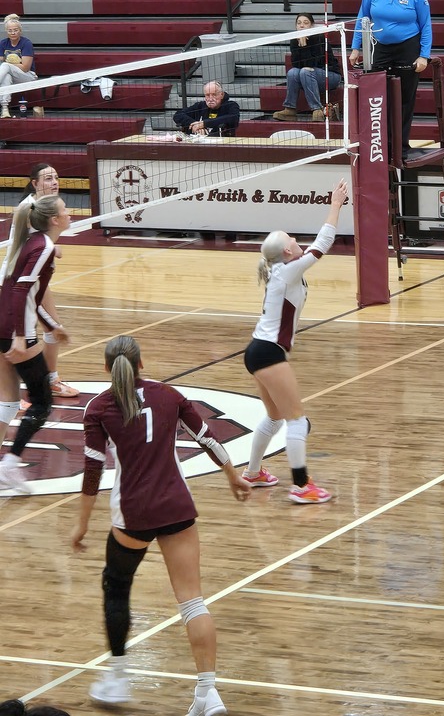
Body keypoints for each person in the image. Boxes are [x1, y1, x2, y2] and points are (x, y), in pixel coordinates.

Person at [72, 335, 250, 712]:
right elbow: (207, 438)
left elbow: (91, 473)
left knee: (116, 587)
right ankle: (207, 692)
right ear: (141, 364)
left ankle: (117, 677)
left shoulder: (99, 407)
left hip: (133, 514)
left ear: (107, 369)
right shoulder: (169, 394)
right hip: (176, 506)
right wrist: (232, 474)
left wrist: (82, 525)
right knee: (193, 603)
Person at [242, 179, 348, 503]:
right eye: (291, 239)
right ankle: (302, 486)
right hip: (268, 353)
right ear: (287, 251)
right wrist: (335, 205)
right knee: (296, 419)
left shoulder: (282, 271)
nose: (296, 240)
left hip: (257, 350)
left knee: (275, 417)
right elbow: (323, 244)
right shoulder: (286, 271)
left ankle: (253, 473)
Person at [0, 195, 71, 493]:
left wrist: (53, 326)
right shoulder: (44, 247)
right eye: (64, 209)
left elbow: (33, 298)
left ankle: (6, 465)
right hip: (15, 332)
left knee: (9, 401)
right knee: (42, 403)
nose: (69, 213)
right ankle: (10, 465)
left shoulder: (35, 243)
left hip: (2, 327)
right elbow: (20, 291)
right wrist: (20, 335)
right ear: (54, 219)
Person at [0, 164, 79, 419]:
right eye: (47, 178)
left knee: (53, 328)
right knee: (34, 332)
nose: (54, 181)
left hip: (36, 277)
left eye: (56, 177)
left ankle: (49, 380)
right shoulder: (27, 208)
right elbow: (21, 246)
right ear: (34, 183)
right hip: (17, 280)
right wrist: (50, 249)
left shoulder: (52, 205)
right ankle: (20, 391)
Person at [349, 0, 432, 156]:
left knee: (404, 98)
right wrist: (356, 47)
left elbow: (426, 24)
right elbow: (363, 17)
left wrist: (424, 55)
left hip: (408, 47)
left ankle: (401, 145)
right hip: (379, 47)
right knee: (377, 96)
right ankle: (379, 144)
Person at [272, 13, 342, 122]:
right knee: (292, 72)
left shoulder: (319, 37)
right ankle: (290, 109)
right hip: (308, 75)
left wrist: (305, 46)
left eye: (305, 23)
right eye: (299, 23)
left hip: (330, 75)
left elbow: (314, 63)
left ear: (311, 25)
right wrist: (301, 44)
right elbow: (296, 64)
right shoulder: (294, 40)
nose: (302, 25)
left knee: (305, 72)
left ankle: (317, 109)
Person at [0, 14, 39, 119]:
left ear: (20, 30)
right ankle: (4, 109)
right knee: (6, 76)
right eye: (10, 30)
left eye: (15, 30)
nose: (13, 33)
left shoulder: (26, 43)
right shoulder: (3, 44)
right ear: (6, 31)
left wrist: (9, 64)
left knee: (6, 66)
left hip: (28, 76)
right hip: (12, 76)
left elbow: (26, 67)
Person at [173, 81, 240, 136]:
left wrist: (204, 124)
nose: (210, 99)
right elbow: (178, 115)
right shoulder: (200, 105)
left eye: (214, 95)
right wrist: (194, 125)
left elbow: (232, 118)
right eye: (207, 95)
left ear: (222, 95)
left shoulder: (231, 105)